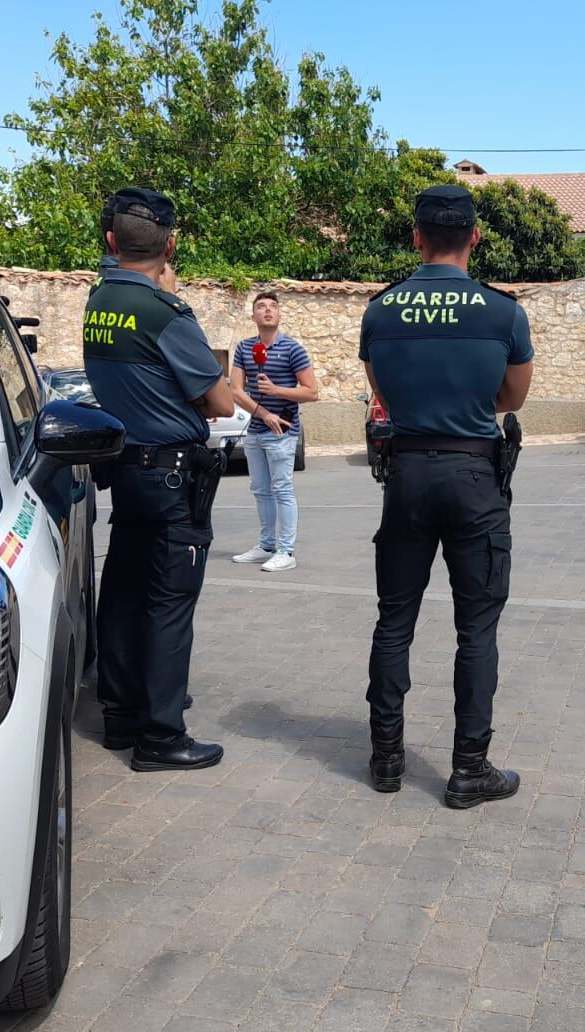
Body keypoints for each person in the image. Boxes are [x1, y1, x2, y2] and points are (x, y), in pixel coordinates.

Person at [360, 183, 533, 807]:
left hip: (405, 477)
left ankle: (384, 759)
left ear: (416, 238)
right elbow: (511, 400)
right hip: (474, 478)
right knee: (477, 629)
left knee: (394, 621)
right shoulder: (502, 312)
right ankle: (468, 770)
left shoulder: (379, 311)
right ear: (476, 238)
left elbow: (386, 392)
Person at [84, 187, 238, 771]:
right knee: (170, 603)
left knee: (122, 596)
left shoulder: (99, 301)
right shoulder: (167, 314)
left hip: (127, 470)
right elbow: (220, 401)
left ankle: (120, 717)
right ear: (170, 245)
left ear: (110, 241)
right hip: (173, 477)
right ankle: (162, 736)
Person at [228, 292, 318, 572]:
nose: (267, 311)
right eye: (261, 307)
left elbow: (312, 392)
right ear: (253, 316)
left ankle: (286, 551)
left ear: (279, 315)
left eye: (273, 307)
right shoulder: (245, 348)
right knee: (260, 490)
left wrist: (277, 390)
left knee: (282, 489)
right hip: (255, 430)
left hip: (283, 432)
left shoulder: (293, 349)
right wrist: (264, 414)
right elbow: (235, 390)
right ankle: (266, 545)